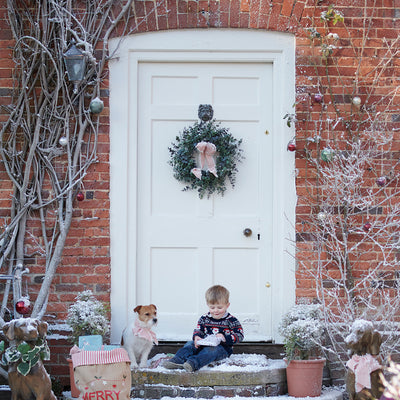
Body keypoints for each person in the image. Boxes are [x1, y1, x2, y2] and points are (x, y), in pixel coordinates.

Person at [163, 285, 244, 372]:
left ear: (227, 305)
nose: (216, 310)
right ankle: (178, 360)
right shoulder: (204, 318)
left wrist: (225, 338)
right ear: (208, 305)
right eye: (212, 307)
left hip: (222, 349)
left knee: (211, 351)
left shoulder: (231, 320)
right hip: (204, 344)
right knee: (190, 344)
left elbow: (240, 335)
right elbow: (199, 330)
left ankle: (193, 363)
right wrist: (197, 337)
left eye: (219, 307)